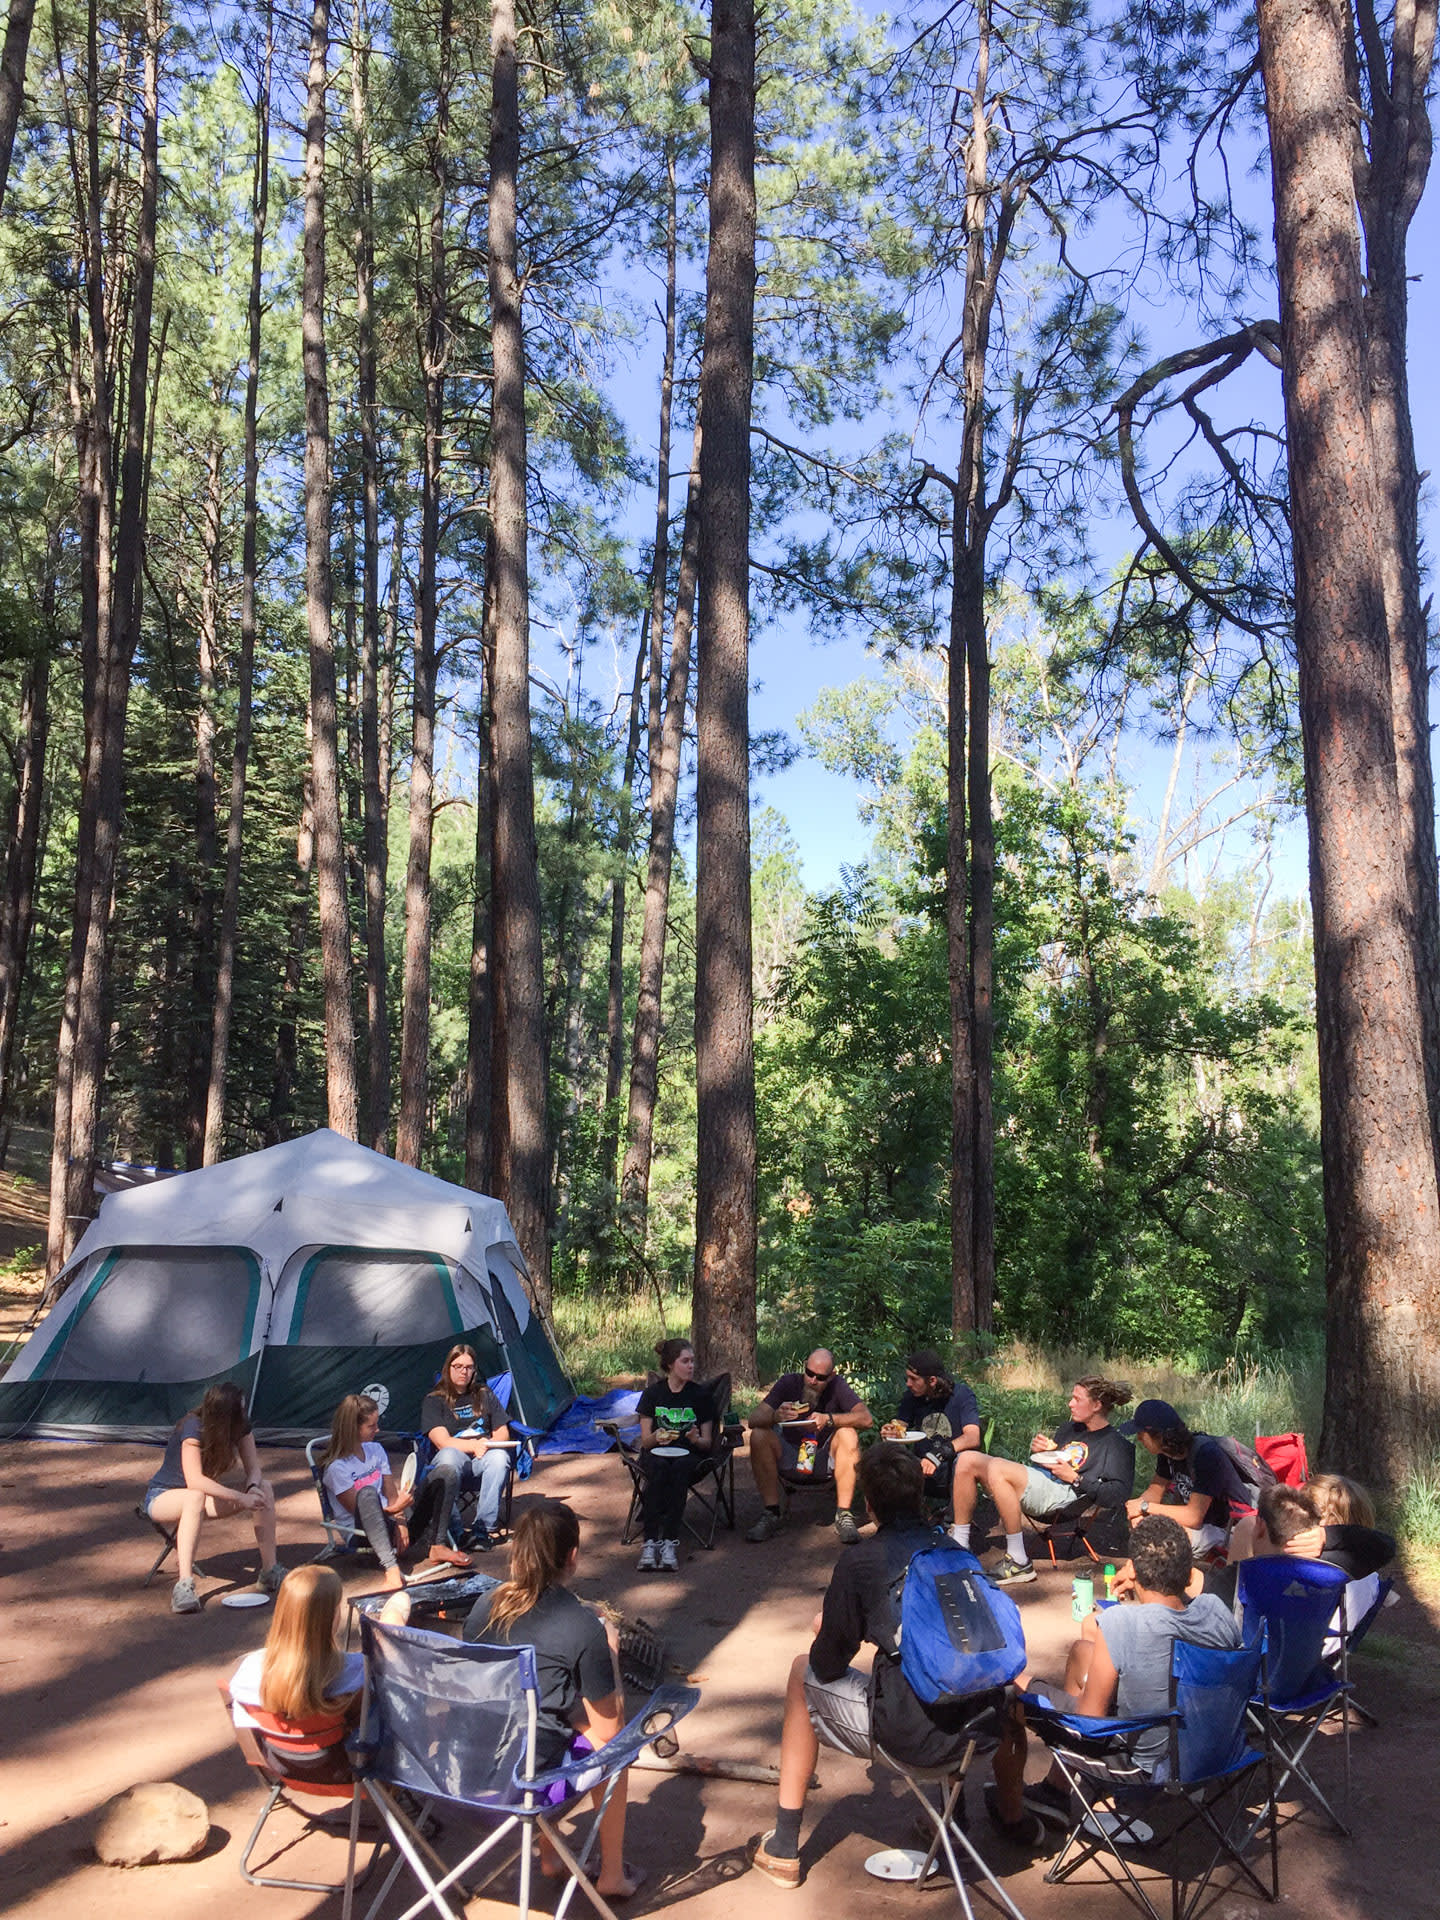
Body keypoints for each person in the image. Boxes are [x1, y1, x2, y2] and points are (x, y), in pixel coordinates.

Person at [750, 1442, 1041, 1889]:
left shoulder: (861, 1561)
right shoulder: (957, 1553)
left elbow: (828, 1665)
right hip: (984, 1728)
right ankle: (1006, 1816)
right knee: (994, 1679)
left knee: (800, 1671)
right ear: (920, 1496)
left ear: (869, 1504)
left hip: (912, 1739)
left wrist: (830, 1628)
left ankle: (784, 1847)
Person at [998, 1513, 1242, 1830]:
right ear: (1187, 1573)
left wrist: (1032, 1687)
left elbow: (1089, 1723)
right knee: (1083, 1652)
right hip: (1215, 1755)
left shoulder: (1121, 1623)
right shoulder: (1217, 1612)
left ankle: (1011, 1816)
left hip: (1147, 1769)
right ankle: (1055, 1789)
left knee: (1012, 1687)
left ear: (1134, 1571)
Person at [464, 1502, 643, 1901]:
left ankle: (552, 1856)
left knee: (546, 1724)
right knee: (619, 1746)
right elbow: (608, 1731)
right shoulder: (582, 1627)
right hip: (524, 1784)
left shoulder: (482, 1608)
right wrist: (611, 1651)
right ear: (572, 1556)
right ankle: (612, 1874)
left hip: (465, 1775)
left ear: (517, 1553)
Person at [947, 1376, 1135, 1586]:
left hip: (1066, 1497)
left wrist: (1076, 1478)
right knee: (967, 1459)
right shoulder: (1071, 1428)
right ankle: (960, 1544)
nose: (1070, 1404)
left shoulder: (1116, 1445)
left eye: (1077, 1399)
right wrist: (1046, 1451)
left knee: (997, 1467)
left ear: (1097, 1405)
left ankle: (1018, 1560)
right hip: (1046, 1483)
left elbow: (1117, 1495)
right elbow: (1053, 1465)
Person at [143, 1380, 282, 1615]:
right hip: (163, 1496)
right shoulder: (193, 1427)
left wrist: (251, 1488)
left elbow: (254, 1469)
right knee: (194, 1496)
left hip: (199, 1498)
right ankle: (184, 1586)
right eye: (239, 1411)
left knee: (264, 1488)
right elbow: (195, 1481)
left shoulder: (240, 1427)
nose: (244, 1415)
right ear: (225, 1415)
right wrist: (241, 1498)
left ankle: (270, 1571)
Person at [321, 1391, 471, 1592]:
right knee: (367, 1493)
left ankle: (438, 1545)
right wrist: (396, 1511)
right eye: (371, 1426)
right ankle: (390, 1568)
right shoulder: (336, 1468)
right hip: (364, 1533)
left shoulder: (375, 1450)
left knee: (446, 1473)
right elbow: (360, 1512)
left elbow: (392, 1496)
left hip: (393, 1522)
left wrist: (400, 1520)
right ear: (353, 1429)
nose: (378, 1429)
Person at [746, 1348, 874, 1545]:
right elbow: (753, 1419)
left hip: (823, 1456)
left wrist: (829, 1419)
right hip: (790, 1452)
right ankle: (771, 1513)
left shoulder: (837, 1386)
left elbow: (866, 1419)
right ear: (804, 1367)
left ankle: (844, 1515)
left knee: (848, 1434)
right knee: (759, 1435)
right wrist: (775, 1416)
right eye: (809, 1373)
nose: (813, 1380)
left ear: (831, 1376)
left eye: (820, 1378)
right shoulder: (789, 1383)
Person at [1120, 1398, 1253, 1555]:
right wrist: (1138, 1513)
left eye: (1141, 1433)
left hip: (1231, 1530)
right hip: (1204, 1526)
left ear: (1159, 1436)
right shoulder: (1166, 1453)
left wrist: (1144, 1507)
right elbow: (1154, 1493)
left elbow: (1193, 1517)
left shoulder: (1206, 1455)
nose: (1139, 1438)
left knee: (1162, 1539)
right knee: (1146, 1528)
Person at [634, 1338, 716, 1571]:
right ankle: (650, 1543)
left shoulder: (701, 1396)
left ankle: (669, 1542)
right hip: (656, 1453)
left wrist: (695, 1439)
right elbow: (645, 1442)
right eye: (685, 1361)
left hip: (689, 1455)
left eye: (692, 1361)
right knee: (658, 1467)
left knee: (679, 1468)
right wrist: (657, 1436)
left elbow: (707, 1443)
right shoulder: (652, 1395)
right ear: (670, 1364)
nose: (691, 1366)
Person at [422, 1343, 512, 1552]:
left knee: (500, 1458)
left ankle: (483, 1529)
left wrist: (486, 1445)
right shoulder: (434, 1400)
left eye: (469, 1367)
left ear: (474, 1370)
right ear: (448, 1368)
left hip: (483, 1456)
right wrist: (473, 1445)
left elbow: (502, 1433)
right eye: (458, 1366)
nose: (464, 1371)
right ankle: (455, 1530)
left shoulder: (484, 1394)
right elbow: (442, 1441)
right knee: (448, 1457)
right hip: (454, 1457)